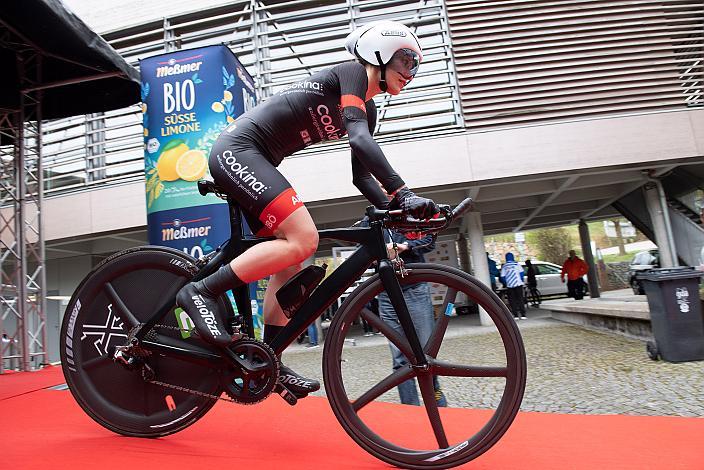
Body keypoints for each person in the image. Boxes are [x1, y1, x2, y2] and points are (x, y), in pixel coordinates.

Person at [173, 21, 438, 399]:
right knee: (303, 239)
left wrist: (399, 212)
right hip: (239, 150)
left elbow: (361, 178)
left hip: (258, 159)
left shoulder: (369, 109)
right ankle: (198, 293)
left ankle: (268, 359)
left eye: (416, 65)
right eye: (406, 60)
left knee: (290, 262)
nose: (410, 72)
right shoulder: (350, 74)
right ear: (378, 55)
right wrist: (403, 192)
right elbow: (359, 140)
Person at [377, 229, 447, 407]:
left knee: (426, 352)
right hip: (386, 293)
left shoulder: (408, 211)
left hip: (414, 288)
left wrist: (406, 246)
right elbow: (362, 246)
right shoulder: (370, 219)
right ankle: (409, 408)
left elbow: (430, 240)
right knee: (398, 357)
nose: (387, 198)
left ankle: (437, 399)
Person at [499, 252, 526, 319]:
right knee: (520, 299)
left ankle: (515, 315)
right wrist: (521, 281)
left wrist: (506, 283)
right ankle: (523, 315)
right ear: (513, 257)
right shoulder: (517, 264)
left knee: (512, 300)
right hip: (518, 284)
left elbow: (502, 277)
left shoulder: (505, 266)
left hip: (510, 286)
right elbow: (522, 274)